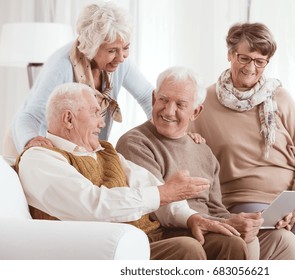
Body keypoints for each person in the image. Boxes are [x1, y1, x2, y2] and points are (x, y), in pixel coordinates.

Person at [15, 82, 249, 260]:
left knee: (230, 243)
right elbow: (92, 205)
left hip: (149, 237)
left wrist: (191, 217)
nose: (102, 123)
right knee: (186, 249)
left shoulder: (105, 152)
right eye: (96, 113)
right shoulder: (41, 158)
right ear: (68, 119)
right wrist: (163, 193)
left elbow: (149, 184)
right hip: (111, 249)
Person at [116, 66, 295, 260]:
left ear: (196, 111)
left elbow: (216, 209)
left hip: (209, 228)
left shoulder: (203, 151)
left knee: (283, 240)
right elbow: (158, 209)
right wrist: (229, 224)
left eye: (180, 104)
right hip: (173, 232)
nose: (169, 110)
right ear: (153, 99)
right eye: (163, 99)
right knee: (234, 242)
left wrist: (249, 220)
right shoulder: (135, 143)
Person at [190, 23, 295, 260]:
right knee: (281, 245)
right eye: (244, 58)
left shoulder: (279, 97)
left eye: (260, 61)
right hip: (244, 197)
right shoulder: (204, 101)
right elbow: (179, 137)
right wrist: (189, 139)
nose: (251, 68)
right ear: (230, 54)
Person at [9, 1, 153, 157]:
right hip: (29, 139)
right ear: (92, 46)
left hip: (78, 150)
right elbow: (29, 116)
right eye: (112, 50)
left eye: (126, 48)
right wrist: (31, 142)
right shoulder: (61, 66)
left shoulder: (118, 62)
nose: (121, 57)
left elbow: (147, 97)